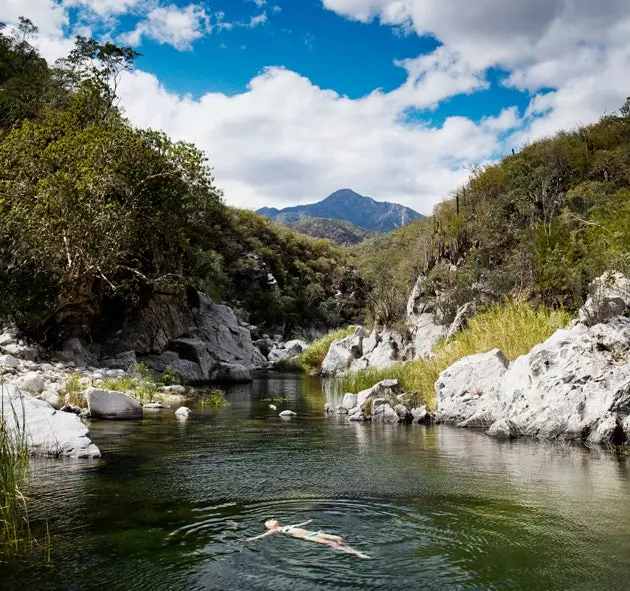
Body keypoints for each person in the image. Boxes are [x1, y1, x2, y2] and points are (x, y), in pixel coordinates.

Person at [246, 519, 371, 559]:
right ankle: (356, 553)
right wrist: (249, 540)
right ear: (268, 527)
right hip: (308, 537)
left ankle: (351, 549)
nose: (271, 520)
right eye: (269, 521)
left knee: (339, 538)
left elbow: (300, 525)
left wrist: (307, 522)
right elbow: (261, 536)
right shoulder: (275, 530)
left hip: (314, 533)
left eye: (271, 519)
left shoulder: (287, 526)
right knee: (332, 543)